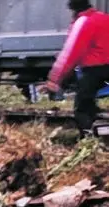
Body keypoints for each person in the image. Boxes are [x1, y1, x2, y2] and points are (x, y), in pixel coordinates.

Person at [46, 0, 109, 136]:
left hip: (94, 70)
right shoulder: (104, 18)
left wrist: (55, 79)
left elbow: (70, 53)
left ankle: (89, 137)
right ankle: (100, 127)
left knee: (82, 108)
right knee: (89, 102)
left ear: (74, 9)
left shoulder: (83, 21)